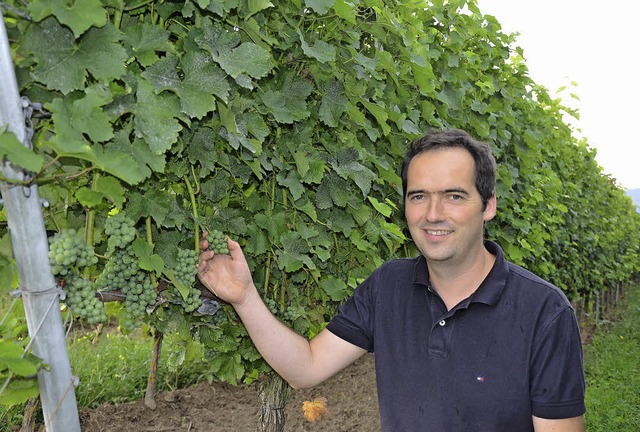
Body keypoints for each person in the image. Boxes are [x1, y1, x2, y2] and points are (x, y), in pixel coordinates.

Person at [197, 129, 586, 431]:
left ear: (488, 205)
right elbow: (306, 368)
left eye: (453, 196)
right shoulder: (388, 286)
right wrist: (245, 297)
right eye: (418, 196)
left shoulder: (544, 313)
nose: (433, 214)